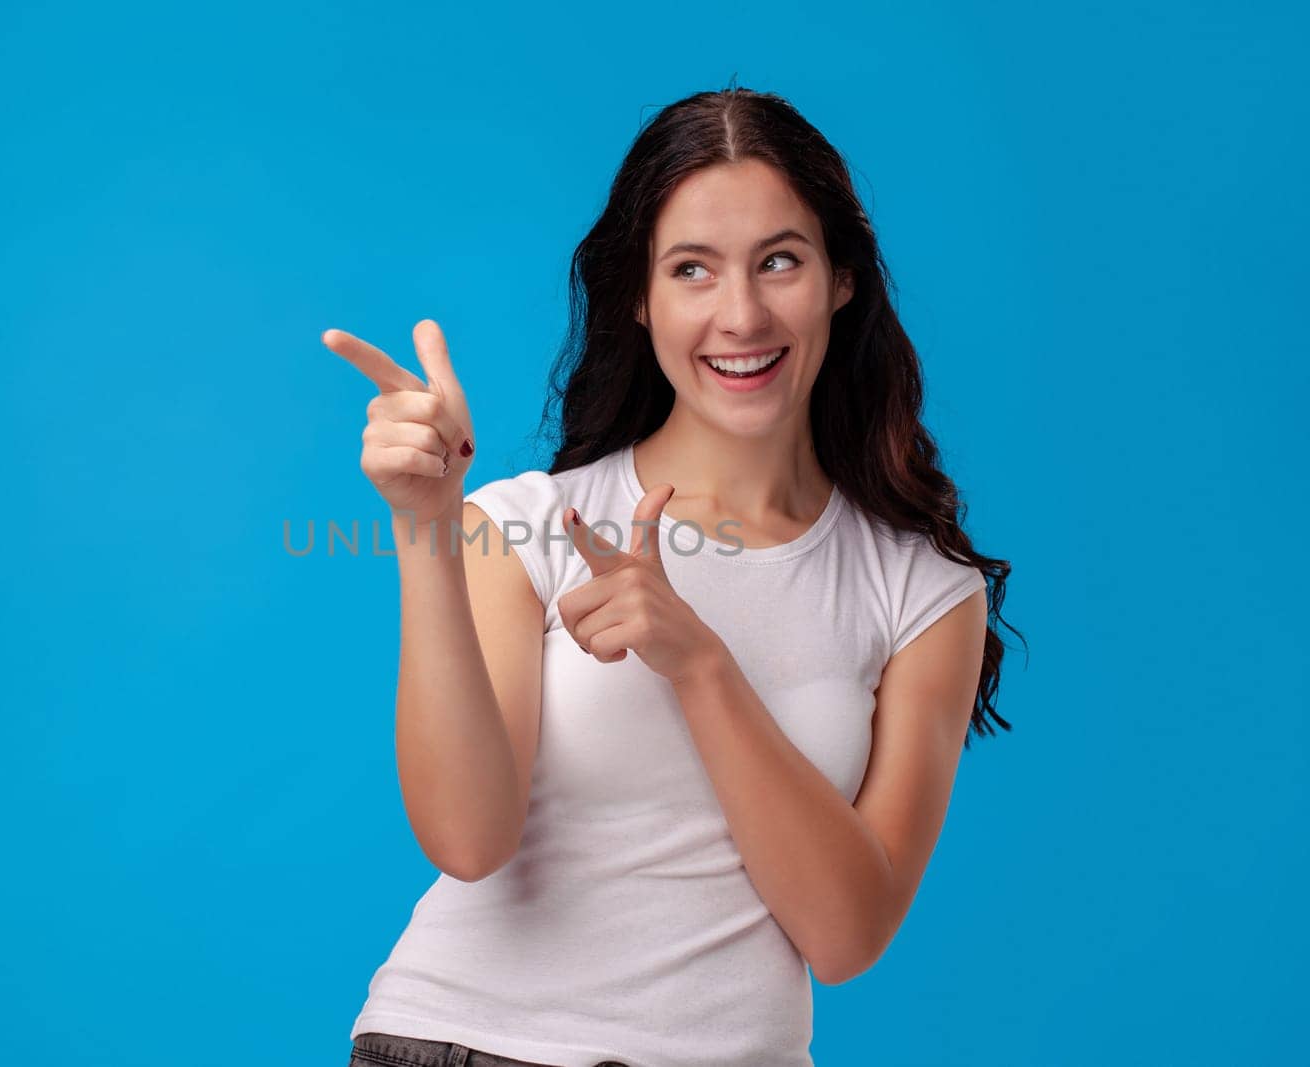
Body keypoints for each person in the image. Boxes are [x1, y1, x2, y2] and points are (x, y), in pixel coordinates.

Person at [323, 86, 1020, 1067]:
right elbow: (466, 839)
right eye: (692, 269)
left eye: (779, 260)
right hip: (466, 1038)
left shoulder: (921, 589)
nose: (741, 314)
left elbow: (845, 932)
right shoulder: (527, 524)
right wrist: (427, 527)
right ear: (640, 300)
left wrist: (699, 662)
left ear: (841, 279)